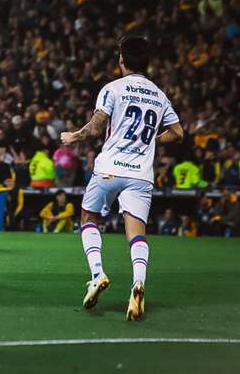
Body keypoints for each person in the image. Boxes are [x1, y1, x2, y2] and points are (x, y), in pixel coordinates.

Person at [61, 36, 184, 321]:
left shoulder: (112, 88)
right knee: (136, 234)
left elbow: (96, 127)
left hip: (110, 169)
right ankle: (138, 283)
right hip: (141, 174)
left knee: (89, 218)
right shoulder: (159, 95)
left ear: (121, 61)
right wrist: (151, 141)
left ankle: (97, 274)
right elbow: (178, 133)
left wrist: (73, 136)